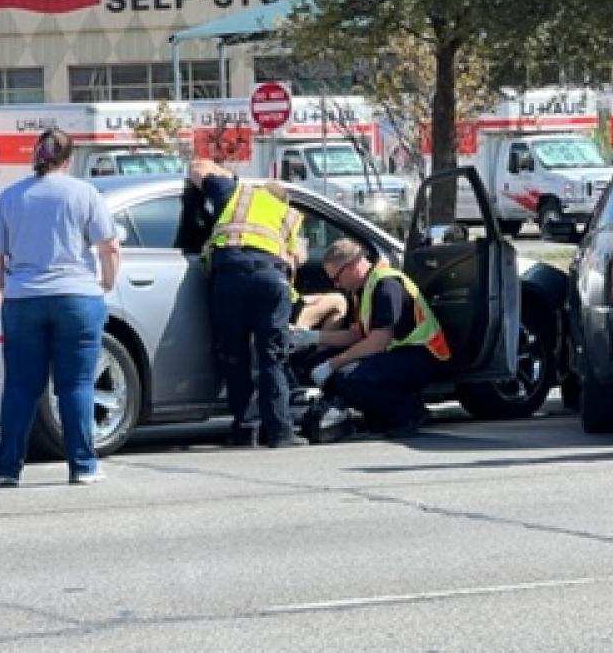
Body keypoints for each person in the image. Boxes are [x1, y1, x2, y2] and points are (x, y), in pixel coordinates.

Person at [0, 128, 121, 487]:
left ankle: (8, 468)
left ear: (36, 156)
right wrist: (106, 282)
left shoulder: (11, 196)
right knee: (75, 385)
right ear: (68, 159)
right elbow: (108, 246)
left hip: (24, 298)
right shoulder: (84, 193)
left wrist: (1, 282)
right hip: (77, 296)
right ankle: (83, 465)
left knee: (20, 387)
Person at [188, 159, 307, 448]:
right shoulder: (289, 214)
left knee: (234, 356)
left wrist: (227, 174)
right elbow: (298, 260)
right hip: (270, 278)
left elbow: (196, 168)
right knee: (272, 357)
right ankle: (280, 432)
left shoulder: (234, 193)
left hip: (230, 276)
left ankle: (245, 430)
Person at [300, 238, 450, 439]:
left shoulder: (386, 285)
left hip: (421, 356)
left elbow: (379, 341)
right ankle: (376, 417)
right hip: (394, 353)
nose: (337, 284)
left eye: (337, 278)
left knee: (349, 376)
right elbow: (357, 335)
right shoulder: (363, 289)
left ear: (353, 266)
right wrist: (314, 337)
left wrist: (333, 364)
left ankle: (408, 414)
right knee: (317, 363)